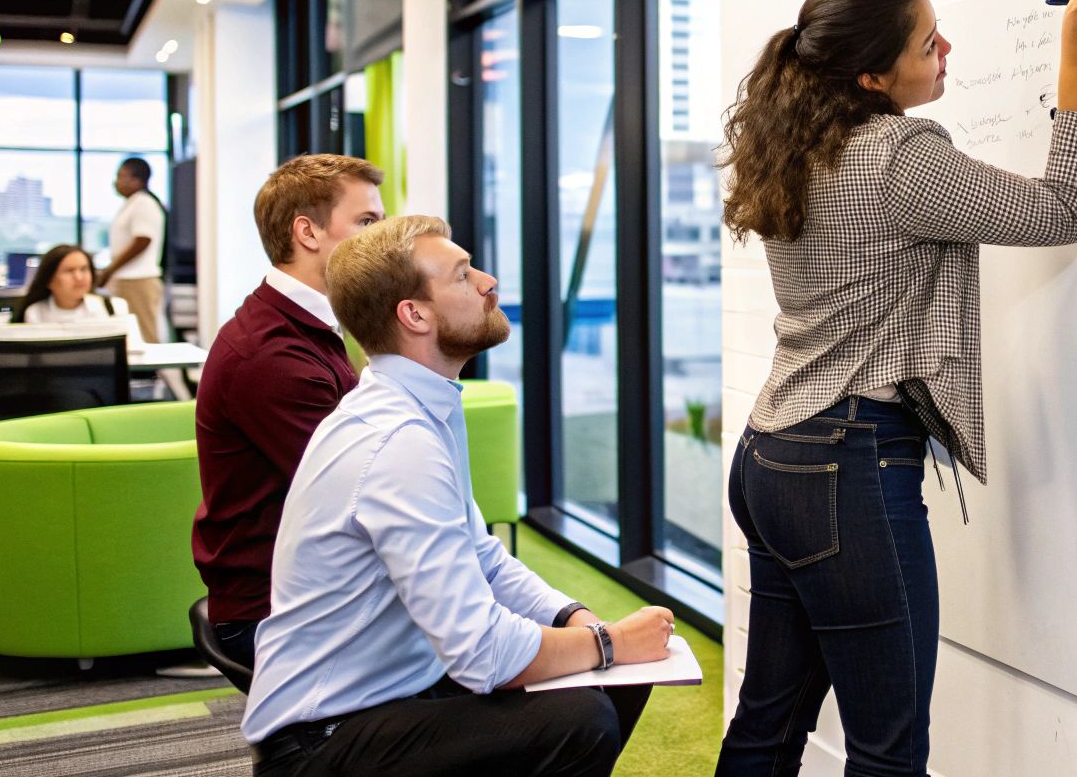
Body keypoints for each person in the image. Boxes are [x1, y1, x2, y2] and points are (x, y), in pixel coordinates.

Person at [713, 0, 1077, 776]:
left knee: (767, 724)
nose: (945, 50)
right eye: (926, 41)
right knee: (888, 752)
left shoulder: (797, 146)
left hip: (773, 457)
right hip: (847, 463)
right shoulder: (899, 155)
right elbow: (1060, 212)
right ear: (871, 76)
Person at [242, 215, 672, 776]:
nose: (490, 282)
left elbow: (483, 557)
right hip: (320, 740)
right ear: (414, 314)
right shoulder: (398, 441)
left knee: (608, 683)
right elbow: (482, 653)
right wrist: (610, 642)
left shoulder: (421, 403)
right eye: (465, 275)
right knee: (580, 716)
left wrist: (579, 620)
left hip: (394, 694)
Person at [192, 154, 386, 671]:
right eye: (367, 223)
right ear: (308, 232)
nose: (383, 240)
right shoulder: (272, 355)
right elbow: (363, 495)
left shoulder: (306, 326)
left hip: (309, 589)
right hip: (275, 613)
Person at [96, 157, 166, 343]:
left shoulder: (143, 203)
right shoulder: (133, 203)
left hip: (138, 280)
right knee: (130, 337)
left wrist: (110, 269)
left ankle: (152, 373)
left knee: (144, 336)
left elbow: (143, 239)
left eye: (121, 176)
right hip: (128, 281)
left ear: (137, 180)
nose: (116, 181)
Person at [12, 245, 130, 323]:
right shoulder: (35, 313)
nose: (79, 277)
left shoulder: (115, 307)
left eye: (84, 269)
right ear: (49, 280)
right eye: (69, 271)